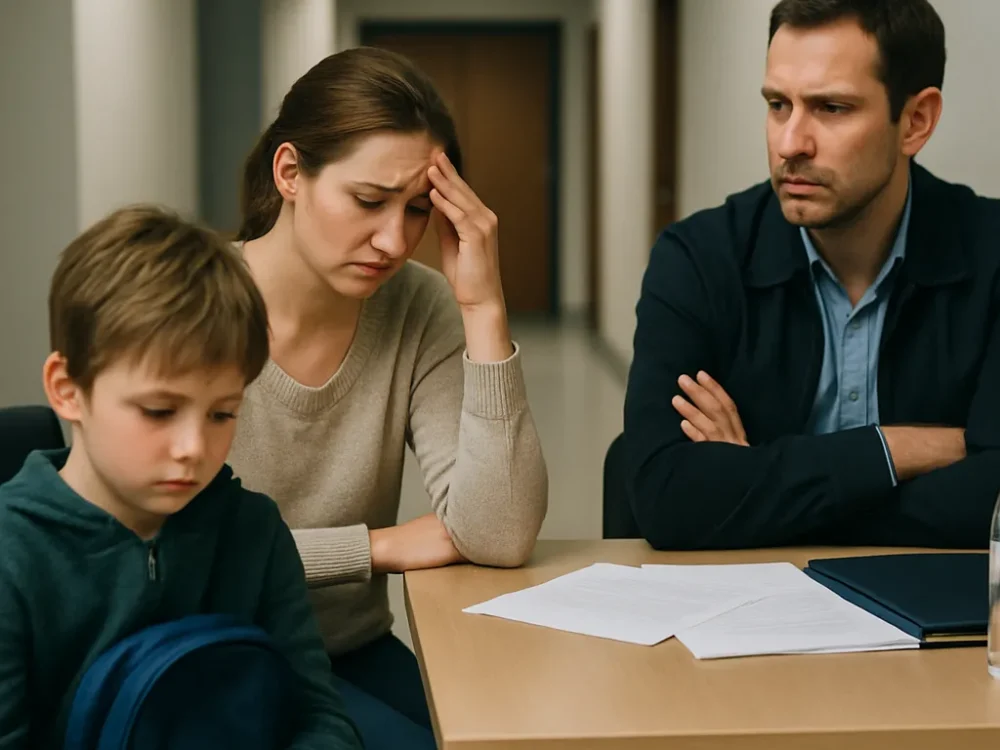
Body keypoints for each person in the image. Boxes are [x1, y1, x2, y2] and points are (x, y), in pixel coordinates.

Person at [228, 46, 548, 745]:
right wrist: (373, 548)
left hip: (352, 650)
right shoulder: (193, 302)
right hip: (219, 647)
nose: (393, 240)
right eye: (369, 202)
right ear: (290, 174)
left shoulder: (416, 305)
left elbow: (496, 533)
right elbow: (171, 552)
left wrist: (483, 306)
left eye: (415, 211)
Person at [616, 0, 1000, 552]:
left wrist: (761, 490)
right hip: (743, 620)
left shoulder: (991, 256)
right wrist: (897, 451)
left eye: (832, 108)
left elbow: (994, 501)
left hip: (949, 629)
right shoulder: (699, 259)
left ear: (916, 121)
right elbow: (668, 497)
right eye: (778, 105)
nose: (791, 142)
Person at [0, 206, 363, 749]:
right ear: (68, 389)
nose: (195, 449)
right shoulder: (12, 557)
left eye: (222, 414)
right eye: (158, 411)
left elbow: (316, 716)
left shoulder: (253, 530)